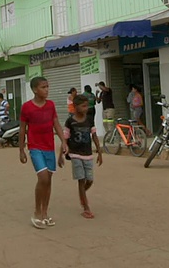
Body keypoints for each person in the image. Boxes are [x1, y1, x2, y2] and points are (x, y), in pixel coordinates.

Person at [19, 77, 68, 229]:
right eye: (43, 87)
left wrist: (64, 141)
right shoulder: (26, 107)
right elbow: (22, 129)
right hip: (35, 147)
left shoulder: (51, 105)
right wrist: (21, 149)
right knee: (43, 177)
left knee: (48, 180)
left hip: (49, 148)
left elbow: (56, 124)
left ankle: (45, 213)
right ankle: (36, 212)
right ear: (34, 90)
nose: (46, 90)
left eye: (47, 86)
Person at [59, 94, 102, 219]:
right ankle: (86, 207)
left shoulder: (89, 120)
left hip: (87, 154)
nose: (86, 108)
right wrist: (60, 155)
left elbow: (94, 136)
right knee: (81, 179)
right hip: (75, 154)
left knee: (90, 180)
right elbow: (65, 139)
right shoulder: (70, 121)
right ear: (75, 107)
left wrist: (99, 152)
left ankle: (81, 194)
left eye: (87, 106)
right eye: (83, 106)